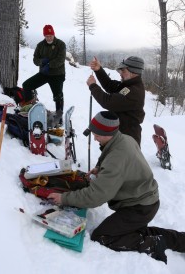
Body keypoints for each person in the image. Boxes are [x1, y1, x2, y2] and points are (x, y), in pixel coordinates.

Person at [49, 111, 185, 263]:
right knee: (137, 230)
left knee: (102, 236)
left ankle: (151, 244)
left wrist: (64, 198)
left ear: (108, 134)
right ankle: (181, 240)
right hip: (145, 200)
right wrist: (100, 168)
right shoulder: (124, 139)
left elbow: (96, 196)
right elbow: (120, 163)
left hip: (139, 207)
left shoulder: (117, 157)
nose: (94, 138)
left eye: (97, 135)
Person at [87, 56, 145, 146]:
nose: (120, 73)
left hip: (127, 139)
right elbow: (110, 85)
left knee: (122, 160)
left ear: (133, 72)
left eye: (123, 70)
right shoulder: (128, 85)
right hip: (121, 134)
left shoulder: (133, 91)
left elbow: (108, 102)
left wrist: (93, 86)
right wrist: (99, 70)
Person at [22, 24, 66, 125]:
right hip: (44, 73)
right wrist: (41, 62)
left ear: (54, 34)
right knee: (27, 85)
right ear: (44, 36)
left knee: (58, 96)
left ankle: (59, 118)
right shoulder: (40, 45)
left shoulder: (61, 44)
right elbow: (35, 59)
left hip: (57, 74)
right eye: (47, 36)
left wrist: (49, 64)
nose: (49, 38)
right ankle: (30, 110)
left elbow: (60, 59)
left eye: (51, 35)